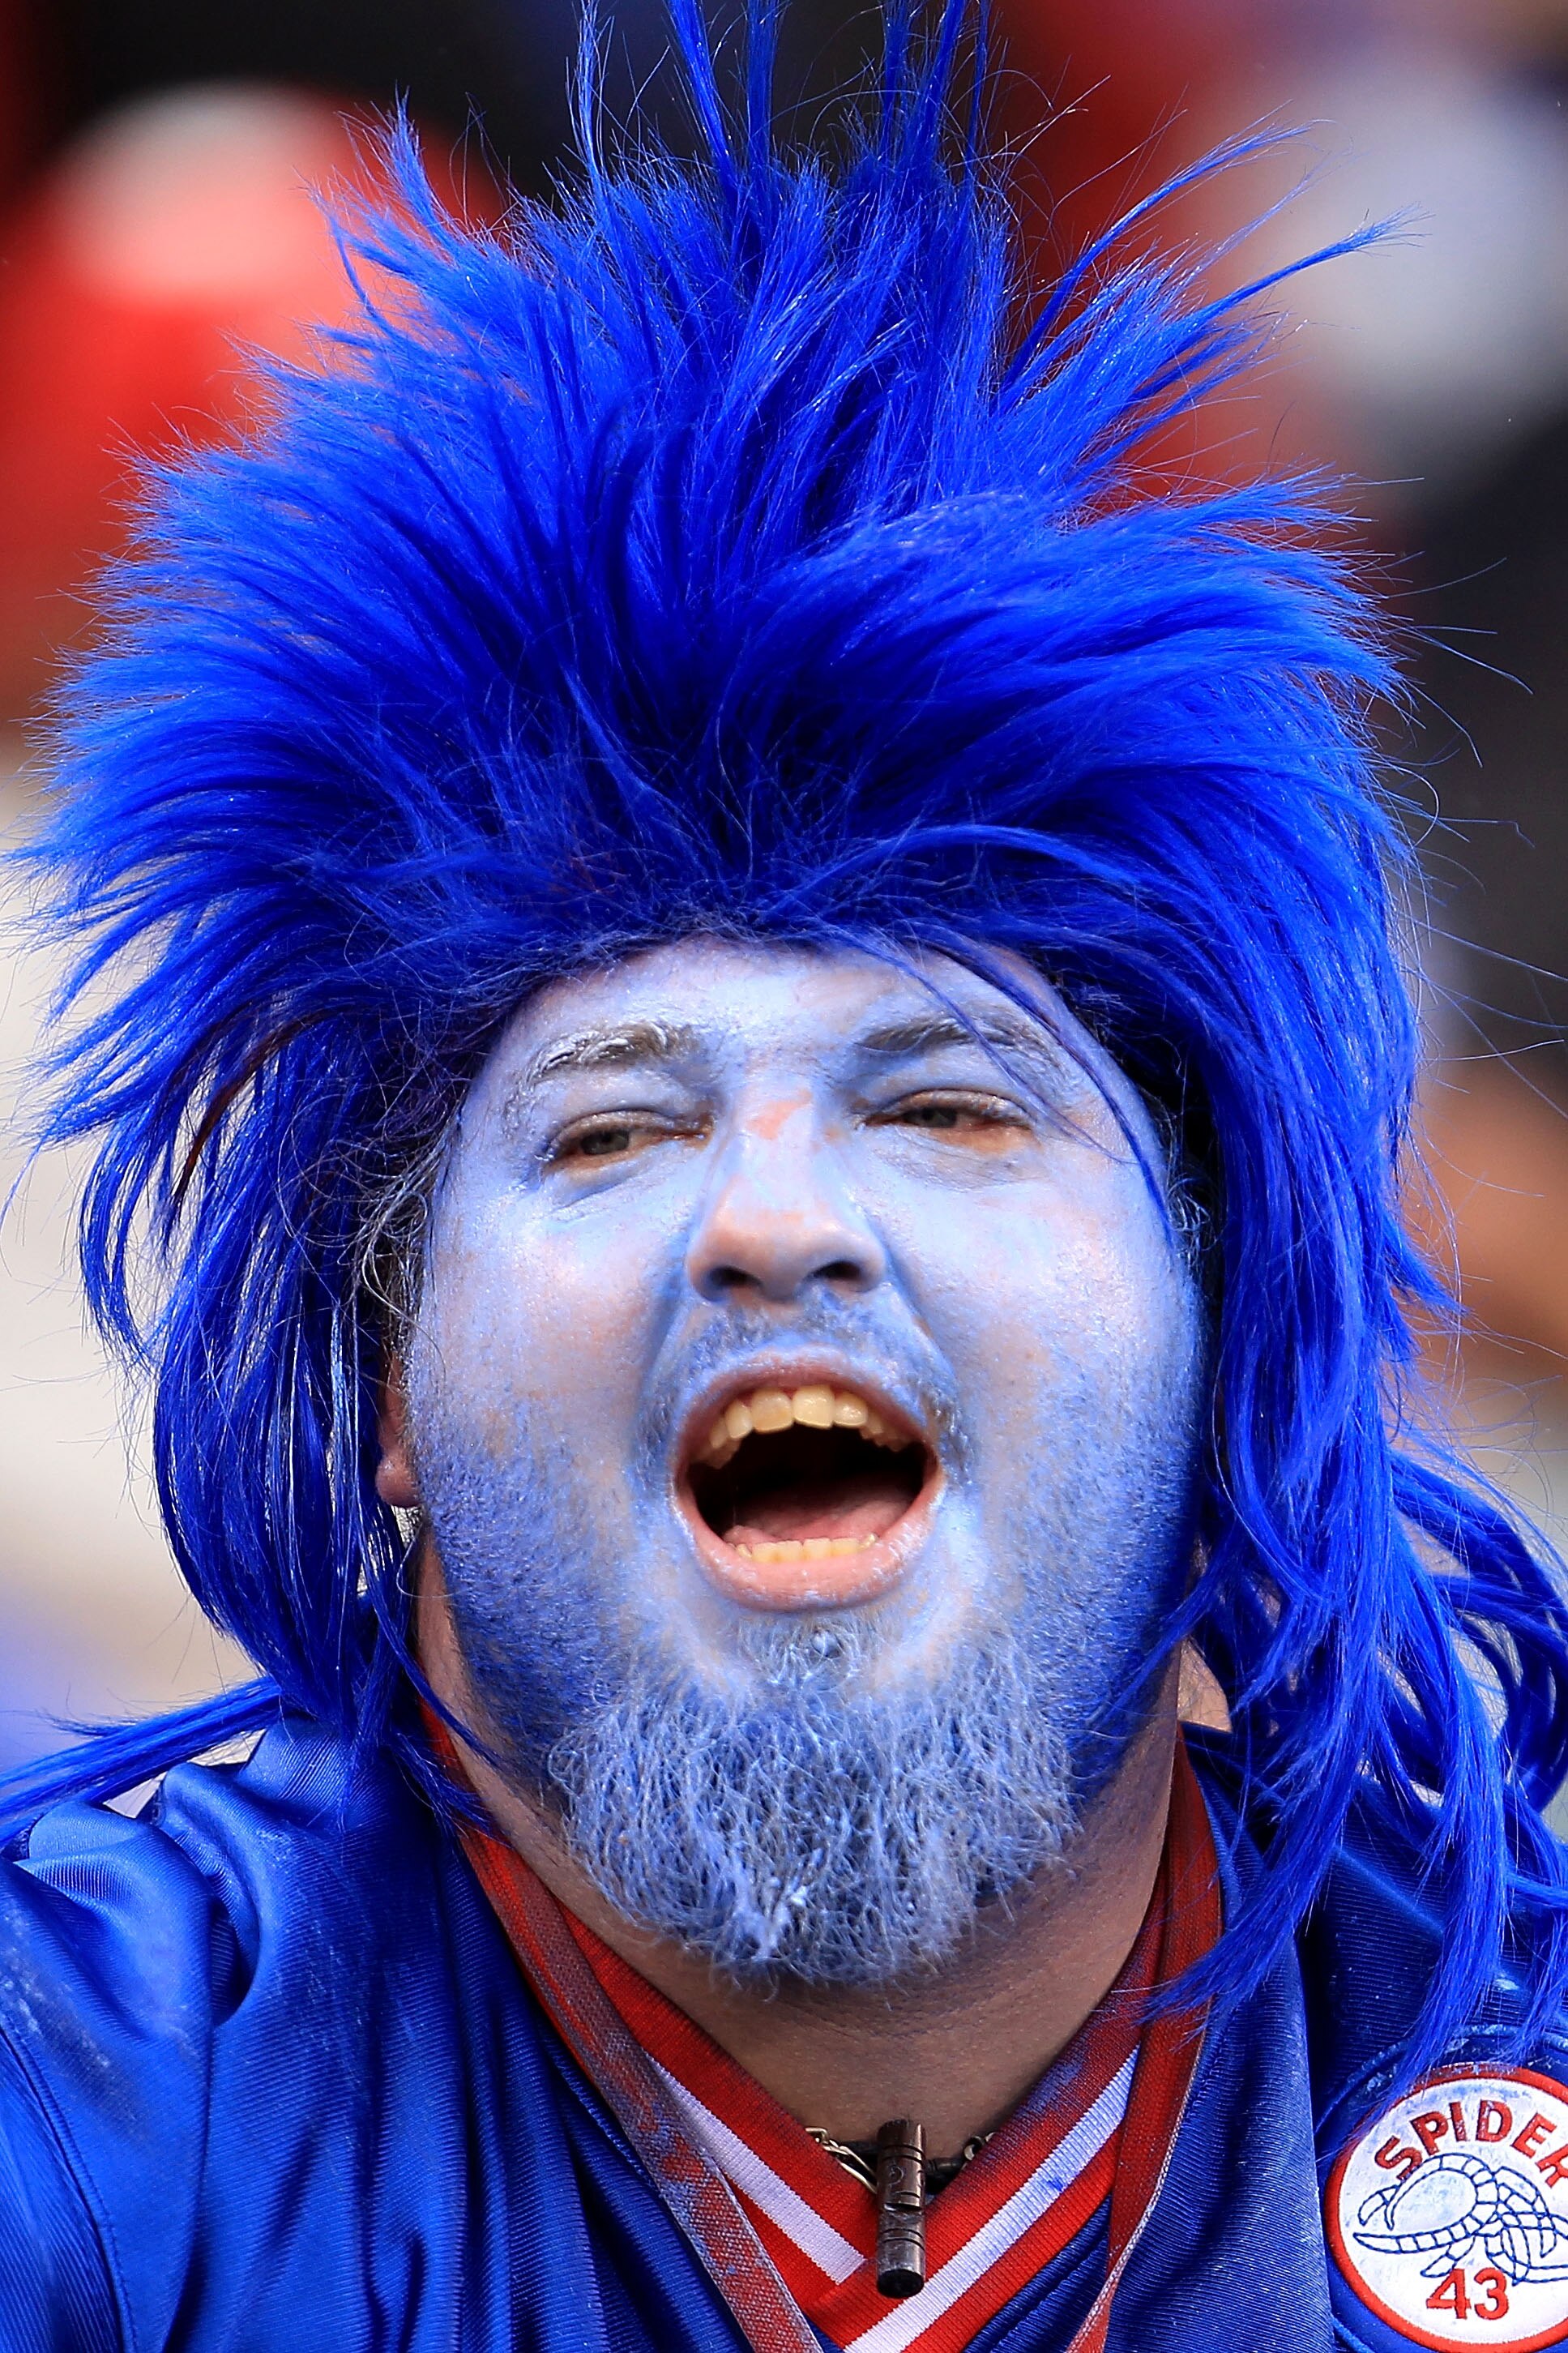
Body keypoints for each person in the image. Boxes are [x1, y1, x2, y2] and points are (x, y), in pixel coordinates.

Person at [4, 5, 1568, 2347]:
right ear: (392, 1387)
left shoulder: (1503, 2054)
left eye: (948, 1105)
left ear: (1224, 1308)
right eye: (612, 1129)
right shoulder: (84, 2105)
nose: (774, 1217)